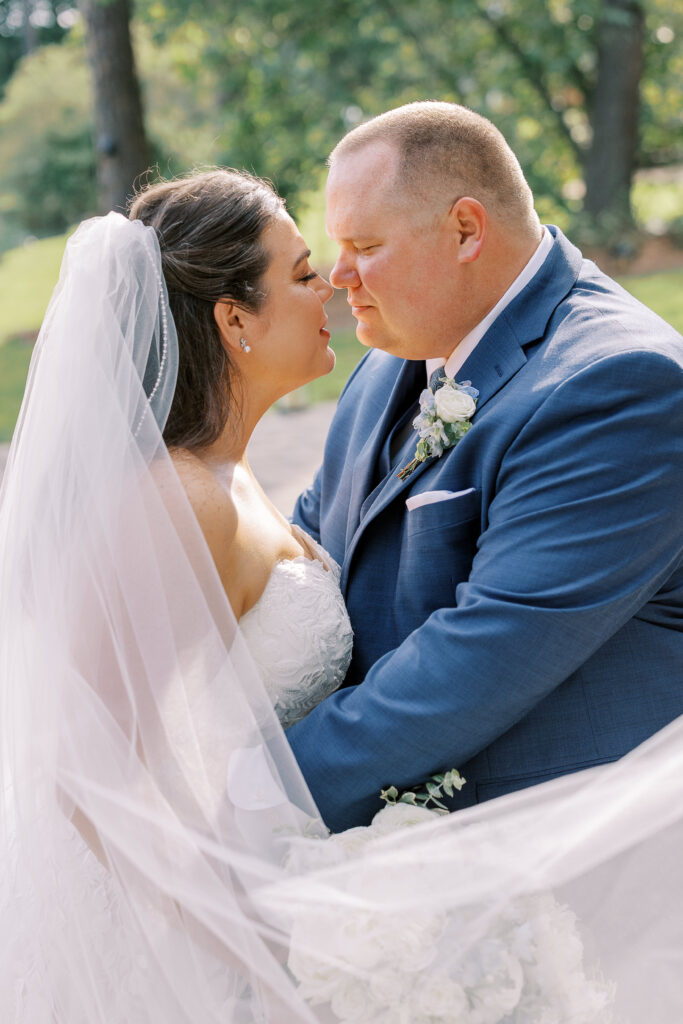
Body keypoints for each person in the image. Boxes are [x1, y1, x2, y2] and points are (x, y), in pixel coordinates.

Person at [1, 166, 682, 1024]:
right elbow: (81, 754)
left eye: (350, 252)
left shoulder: (232, 476)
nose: (333, 282)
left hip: (303, 871)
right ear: (233, 318)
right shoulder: (179, 501)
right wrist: (235, 911)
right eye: (302, 271)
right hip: (212, 911)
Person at [287, 100, 683, 833]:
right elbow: (306, 553)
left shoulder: (617, 384)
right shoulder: (385, 364)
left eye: (364, 244)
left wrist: (261, 790)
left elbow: (485, 651)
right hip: (405, 852)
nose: (335, 275)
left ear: (466, 229)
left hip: (554, 854)